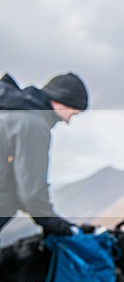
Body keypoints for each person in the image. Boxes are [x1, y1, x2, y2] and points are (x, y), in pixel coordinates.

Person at [0, 72, 88, 236]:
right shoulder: (33, 125)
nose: (68, 121)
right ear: (60, 102)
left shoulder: (11, 113)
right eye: (73, 113)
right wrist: (61, 228)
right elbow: (31, 194)